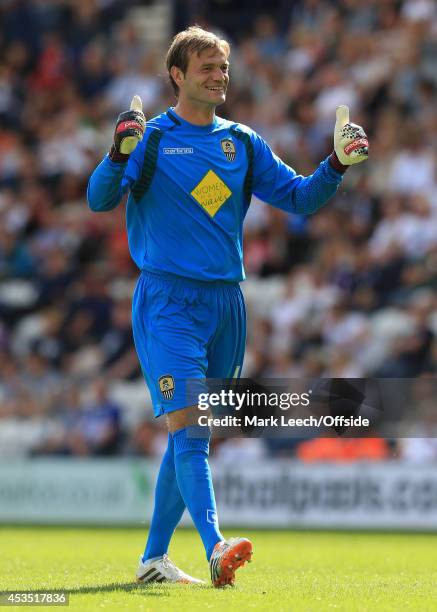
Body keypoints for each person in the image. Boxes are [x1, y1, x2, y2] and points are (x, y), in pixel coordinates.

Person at [87, 25, 368, 588]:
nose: (220, 76)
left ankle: (153, 561)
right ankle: (217, 547)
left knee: (192, 431)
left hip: (227, 306)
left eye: (224, 68)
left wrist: (334, 165)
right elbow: (99, 198)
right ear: (178, 75)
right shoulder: (152, 139)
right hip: (167, 300)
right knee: (190, 429)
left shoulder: (240, 142)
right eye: (207, 68)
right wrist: (118, 152)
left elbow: (299, 198)